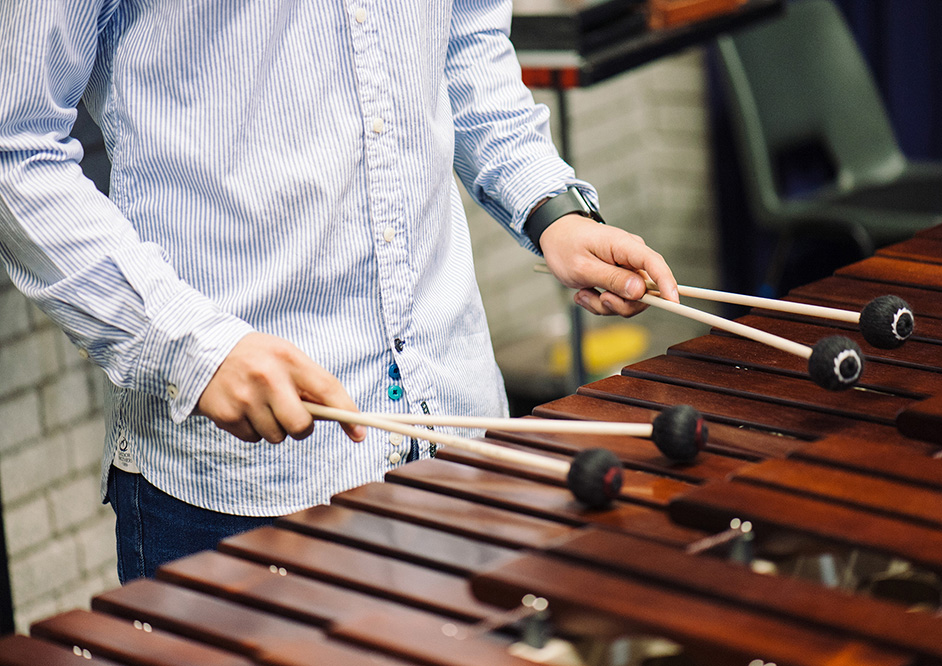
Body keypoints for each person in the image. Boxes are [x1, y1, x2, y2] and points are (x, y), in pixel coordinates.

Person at [0, 0, 678, 582]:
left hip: (458, 429)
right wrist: (190, 348)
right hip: (244, 486)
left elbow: (466, 40)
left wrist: (548, 206)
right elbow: (15, 148)